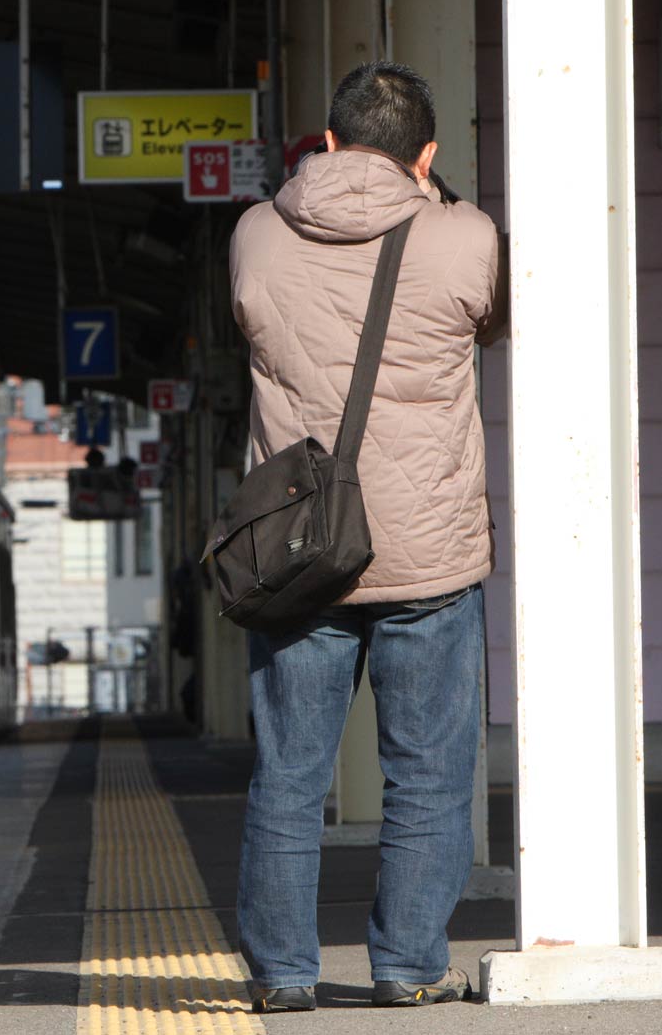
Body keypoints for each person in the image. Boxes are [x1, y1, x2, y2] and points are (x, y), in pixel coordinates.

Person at [227, 61, 505, 1012]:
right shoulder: (465, 236)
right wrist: (438, 200)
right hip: (427, 553)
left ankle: (284, 974)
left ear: (330, 142)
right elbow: (494, 320)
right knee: (427, 775)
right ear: (425, 157)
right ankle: (410, 966)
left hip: (301, 551)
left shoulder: (257, 233)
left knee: (290, 776)